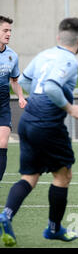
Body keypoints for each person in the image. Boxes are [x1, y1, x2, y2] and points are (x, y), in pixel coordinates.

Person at [0, 17, 78, 247]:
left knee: (29, 177)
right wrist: (70, 108)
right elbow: (50, 86)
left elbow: (25, 81)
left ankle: (5, 215)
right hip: (48, 124)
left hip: (28, 120)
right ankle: (54, 228)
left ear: (58, 37)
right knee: (63, 175)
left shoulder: (44, 54)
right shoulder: (70, 61)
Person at [0, 16, 27, 183]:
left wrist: (21, 97)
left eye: (10, 31)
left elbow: (14, 81)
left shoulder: (12, 56)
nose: (9, 34)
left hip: (2, 102)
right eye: (5, 30)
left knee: (2, 144)